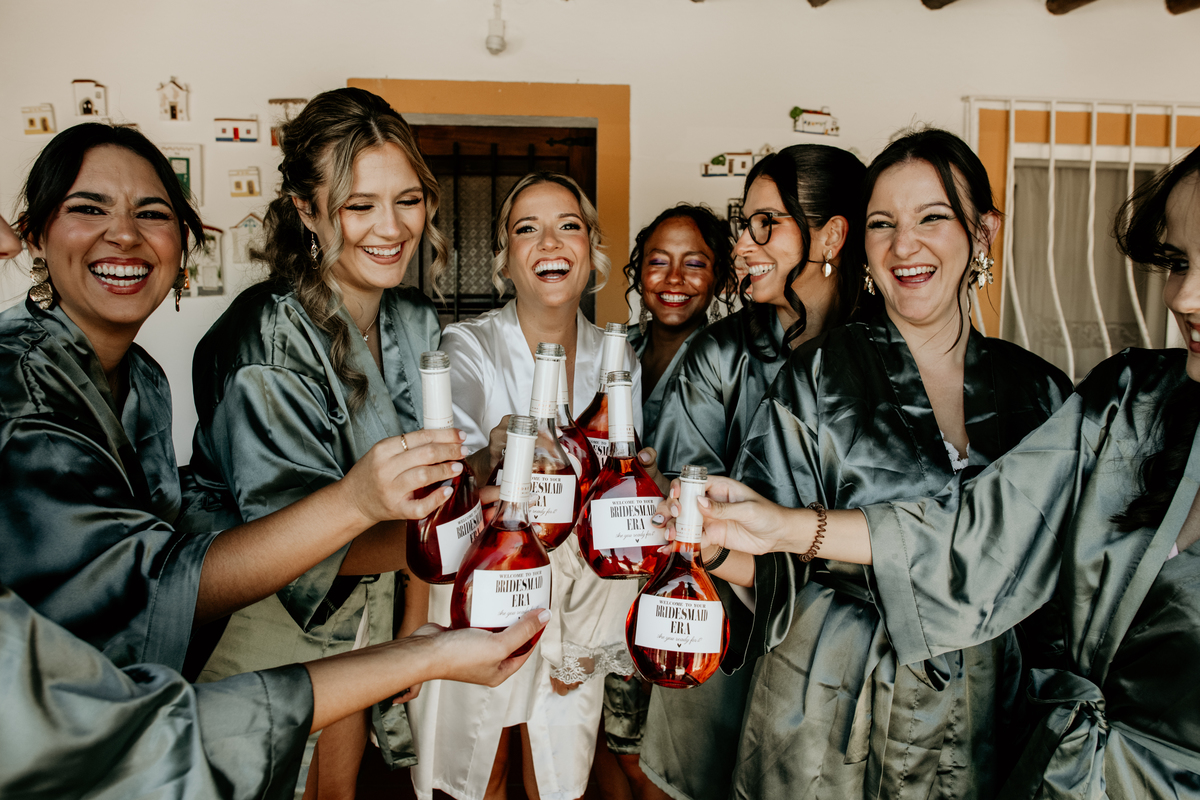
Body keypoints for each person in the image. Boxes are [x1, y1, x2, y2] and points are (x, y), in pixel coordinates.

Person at [659, 145, 1200, 798]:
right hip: (839, 699)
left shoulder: (1044, 393)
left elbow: (1035, 564)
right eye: (882, 222)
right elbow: (773, 557)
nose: (903, 245)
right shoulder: (818, 380)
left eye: (933, 217)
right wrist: (716, 549)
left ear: (983, 233)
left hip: (995, 712)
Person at [185, 88, 451, 797]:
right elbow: (295, 544)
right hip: (262, 629)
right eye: (358, 205)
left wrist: (412, 638)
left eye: (407, 200)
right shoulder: (265, 338)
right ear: (306, 210)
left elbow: (432, 491)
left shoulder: (416, 323)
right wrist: (470, 526)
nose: (391, 228)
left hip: (371, 614)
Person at [639, 144, 876, 800]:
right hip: (723, 633)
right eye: (743, 223)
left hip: (848, 657)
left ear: (830, 234)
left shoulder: (885, 355)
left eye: (765, 224)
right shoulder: (719, 352)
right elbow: (691, 505)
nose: (741, 244)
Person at [408, 172, 642, 800]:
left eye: (569, 225)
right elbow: (451, 442)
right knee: (475, 762)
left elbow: (621, 483)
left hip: (583, 592)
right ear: (505, 261)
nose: (550, 241)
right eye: (526, 229)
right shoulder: (469, 342)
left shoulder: (618, 356)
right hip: (490, 577)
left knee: (559, 768)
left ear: (591, 250)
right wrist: (497, 444)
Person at [0, 578, 547, 800]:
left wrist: (421, 649)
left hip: (363, 616)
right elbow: (157, 746)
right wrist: (425, 655)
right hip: (272, 620)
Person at [623, 204, 735, 444]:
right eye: (658, 261)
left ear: (719, 279)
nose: (674, 277)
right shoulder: (616, 348)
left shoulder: (728, 365)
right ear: (640, 274)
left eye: (694, 264)